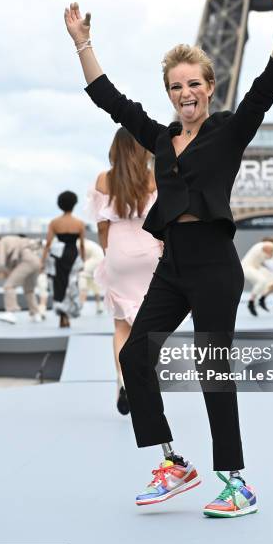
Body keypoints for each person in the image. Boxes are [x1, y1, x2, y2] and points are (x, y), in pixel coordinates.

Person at [64, 0, 273, 518]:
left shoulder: (229, 130)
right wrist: (83, 44)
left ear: (209, 87)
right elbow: (109, 99)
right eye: (176, 86)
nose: (185, 93)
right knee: (134, 355)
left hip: (215, 264)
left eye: (194, 84)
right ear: (168, 92)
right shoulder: (161, 139)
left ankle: (236, 482)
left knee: (210, 367)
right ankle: (173, 462)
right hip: (173, 263)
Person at [86, 127, 161, 415]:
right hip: (150, 250)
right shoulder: (153, 177)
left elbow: (102, 224)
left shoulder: (104, 179)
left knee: (121, 327)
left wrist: (108, 254)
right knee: (150, 323)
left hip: (118, 251)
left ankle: (124, 383)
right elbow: (163, 218)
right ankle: (144, 380)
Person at [41, 191, 85, 328]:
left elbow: (48, 244)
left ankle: (62, 314)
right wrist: (83, 260)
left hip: (58, 256)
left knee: (59, 285)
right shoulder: (79, 223)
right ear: (74, 204)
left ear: (60, 204)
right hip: (72, 255)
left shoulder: (54, 222)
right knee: (71, 284)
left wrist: (42, 260)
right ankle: (67, 313)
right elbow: (82, 245)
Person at [0, 235, 41, 324]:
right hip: (36, 261)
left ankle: (10, 313)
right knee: (29, 290)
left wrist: (0, 271)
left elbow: (2, 261)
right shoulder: (12, 239)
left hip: (26, 261)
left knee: (9, 286)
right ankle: (36, 314)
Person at [241, 238, 273, 316]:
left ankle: (262, 299)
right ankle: (251, 302)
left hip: (257, 267)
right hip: (247, 267)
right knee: (262, 281)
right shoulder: (271, 246)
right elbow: (266, 248)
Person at [77, 238, 104, 314]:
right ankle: (99, 306)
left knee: (81, 274)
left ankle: (80, 306)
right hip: (100, 259)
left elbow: (82, 257)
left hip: (96, 259)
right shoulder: (85, 242)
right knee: (92, 280)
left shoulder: (77, 243)